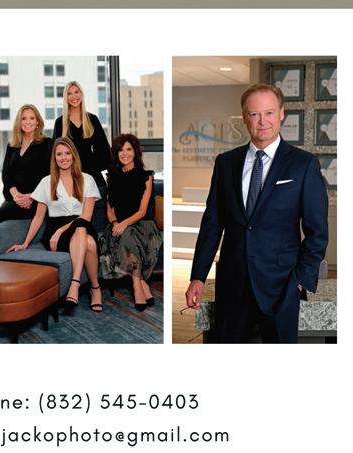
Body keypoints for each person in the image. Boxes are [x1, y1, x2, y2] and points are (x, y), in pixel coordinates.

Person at [185, 83, 329, 343]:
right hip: (232, 285)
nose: (263, 121)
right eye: (255, 114)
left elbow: (317, 231)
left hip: (282, 286)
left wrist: (301, 280)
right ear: (244, 117)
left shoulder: (303, 164)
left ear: (281, 113)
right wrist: (197, 277)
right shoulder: (226, 163)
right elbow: (212, 225)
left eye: (269, 113)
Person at [7, 138, 103, 313]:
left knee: (81, 228)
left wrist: (61, 230)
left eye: (67, 153)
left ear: (73, 156)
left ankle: (74, 284)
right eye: (59, 154)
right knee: (89, 243)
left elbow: (86, 216)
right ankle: (95, 288)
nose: (64, 158)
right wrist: (25, 243)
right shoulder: (46, 182)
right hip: (55, 231)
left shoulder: (87, 179)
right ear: (54, 158)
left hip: (80, 224)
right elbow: (38, 217)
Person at [99, 134, 161, 309]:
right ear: (116, 153)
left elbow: (142, 211)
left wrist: (123, 224)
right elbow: (110, 209)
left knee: (127, 234)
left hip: (142, 225)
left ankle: (136, 285)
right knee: (125, 235)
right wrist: (115, 223)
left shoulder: (146, 177)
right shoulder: (112, 176)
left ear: (135, 152)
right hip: (118, 225)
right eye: (121, 150)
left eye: (128, 149)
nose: (124, 153)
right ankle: (140, 284)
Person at [52, 81, 112, 193]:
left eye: (76, 92)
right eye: (69, 93)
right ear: (66, 98)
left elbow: (104, 151)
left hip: (93, 179)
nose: (74, 96)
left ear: (81, 94)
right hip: (69, 180)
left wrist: (92, 168)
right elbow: (55, 154)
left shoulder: (92, 119)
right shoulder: (60, 122)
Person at [0, 104, 51, 222]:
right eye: (24, 118)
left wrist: (31, 197)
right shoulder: (12, 145)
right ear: (19, 122)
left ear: (38, 122)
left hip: (38, 200)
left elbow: (51, 177)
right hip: (15, 199)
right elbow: (6, 174)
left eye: (32, 118)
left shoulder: (47, 144)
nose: (28, 122)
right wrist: (15, 195)